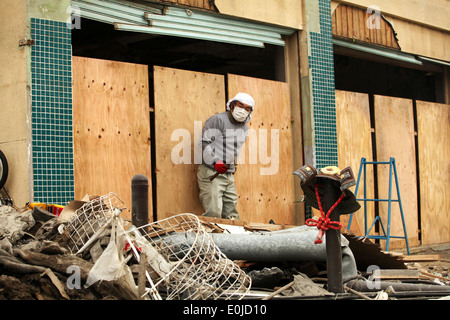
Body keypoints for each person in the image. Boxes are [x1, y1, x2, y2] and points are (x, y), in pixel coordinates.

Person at [197, 93, 255, 220]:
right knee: (213, 214)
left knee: (232, 216)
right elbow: (204, 143)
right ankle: (210, 239)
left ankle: (231, 240)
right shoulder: (217, 120)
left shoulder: (244, 127)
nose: (243, 110)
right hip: (212, 173)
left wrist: (232, 166)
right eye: (241, 105)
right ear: (232, 105)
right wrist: (215, 161)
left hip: (228, 175)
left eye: (247, 108)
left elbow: (233, 149)